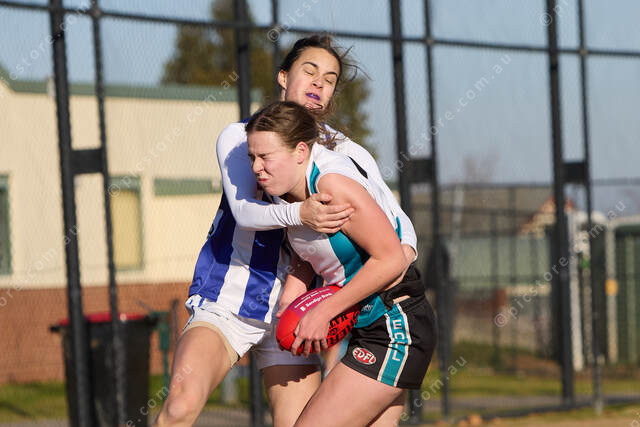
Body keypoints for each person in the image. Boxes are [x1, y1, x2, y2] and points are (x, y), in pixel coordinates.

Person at [155, 34, 418, 427]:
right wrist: (302, 213)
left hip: (296, 312)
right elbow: (245, 211)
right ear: (283, 77)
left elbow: (400, 226)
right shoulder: (243, 137)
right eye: (309, 71)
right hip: (230, 299)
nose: (318, 83)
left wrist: (397, 268)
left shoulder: (344, 153)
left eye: (329, 79)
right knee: (179, 405)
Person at [246, 101, 436, 427]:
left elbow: (392, 258)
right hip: (369, 325)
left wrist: (324, 312)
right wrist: (293, 293)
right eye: (252, 157)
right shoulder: (285, 191)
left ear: (300, 151)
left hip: (396, 325)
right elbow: (312, 249)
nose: (256, 167)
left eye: (265, 156)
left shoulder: (332, 185)